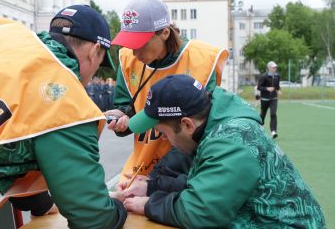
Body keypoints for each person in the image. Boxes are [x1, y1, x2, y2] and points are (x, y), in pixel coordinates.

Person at [119, 74, 326, 228]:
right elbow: (206, 185)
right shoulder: (215, 125)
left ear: (187, 124)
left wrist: (149, 204)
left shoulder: (231, 141)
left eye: (162, 132)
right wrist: (152, 187)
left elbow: (200, 211)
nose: (163, 138)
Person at [0, 5, 126, 228]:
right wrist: (120, 208)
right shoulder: (66, 100)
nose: (93, 75)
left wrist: (40, 203)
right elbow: (93, 218)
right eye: (99, 64)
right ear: (94, 50)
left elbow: (8, 148)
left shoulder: (3, 33)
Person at [106, 0, 228, 179]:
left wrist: (157, 180)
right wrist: (120, 119)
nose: (134, 52)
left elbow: (202, 130)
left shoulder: (202, 59)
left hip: (186, 172)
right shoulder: (128, 60)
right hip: (140, 169)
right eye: (130, 44)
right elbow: (126, 108)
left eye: (140, 44)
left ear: (164, 33)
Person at [257, 61, 281, 139]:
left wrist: (278, 90)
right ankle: (260, 128)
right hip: (264, 99)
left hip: (274, 98)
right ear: (269, 68)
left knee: (273, 114)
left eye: (275, 67)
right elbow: (259, 87)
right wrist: (267, 89)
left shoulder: (277, 76)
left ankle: (273, 131)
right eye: (273, 67)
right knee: (263, 115)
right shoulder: (263, 76)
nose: (275, 68)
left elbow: (277, 86)